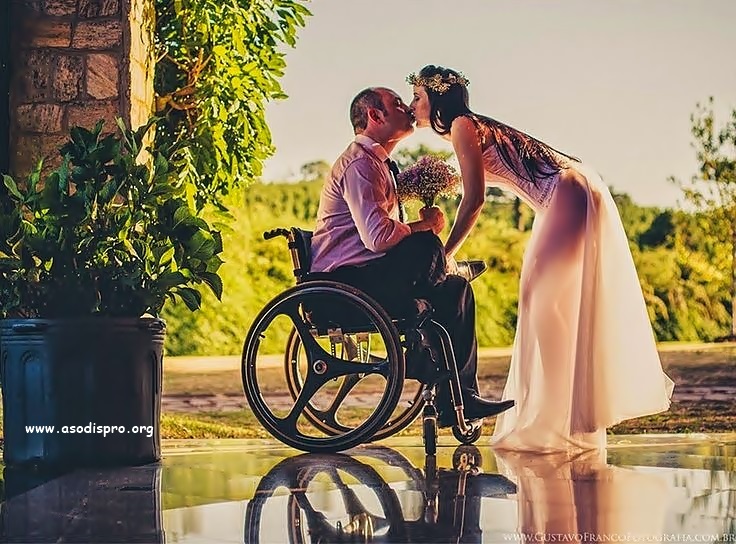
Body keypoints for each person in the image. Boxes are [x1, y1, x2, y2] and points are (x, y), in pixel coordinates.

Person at [408, 65, 674, 452]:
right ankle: (570, 417)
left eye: (417, 97)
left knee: (540, 301)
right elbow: (480, 181)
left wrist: (445, 253)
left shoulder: (463, 126)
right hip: (566, 196)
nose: (413, 104)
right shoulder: (470, 127)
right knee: (555, 310)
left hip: (564, 196)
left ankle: (560, 420)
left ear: (436, 99)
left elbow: (475, 200)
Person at [310, 86, 514, 427]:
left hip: (371, 276)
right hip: (344, 283)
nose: (407, 108)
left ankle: (460, 399)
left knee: (457, 291)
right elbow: (377, 238)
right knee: (426, 245)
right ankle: (422, 349)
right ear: (375, 116)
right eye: (397, 104)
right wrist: (423, 226)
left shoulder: (379, 164)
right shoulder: (360, 163)